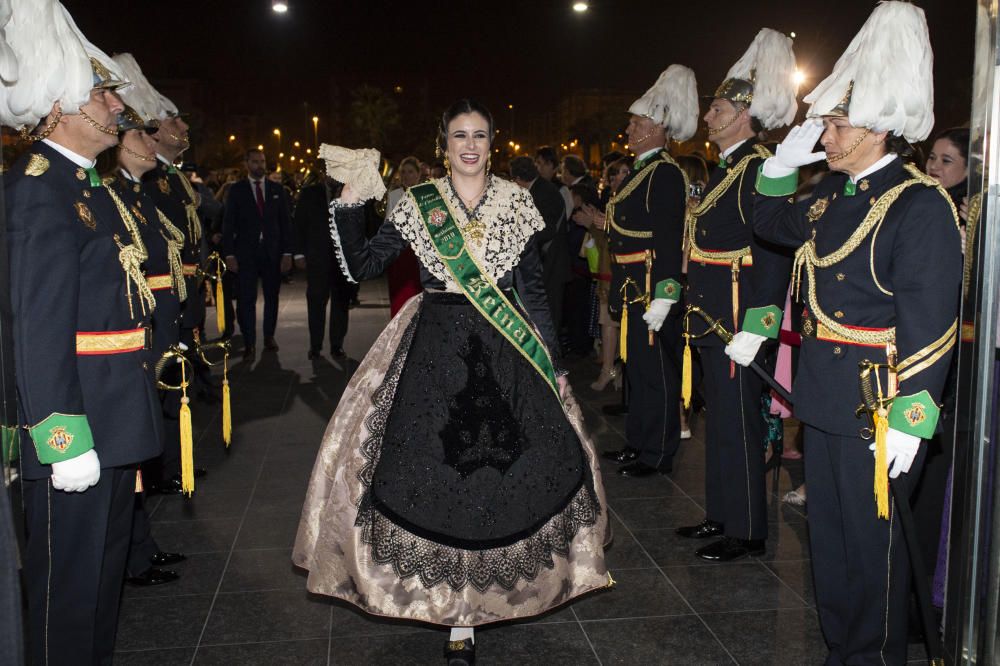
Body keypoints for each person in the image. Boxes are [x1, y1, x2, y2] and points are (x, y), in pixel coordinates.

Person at [293, 99, 609, 665]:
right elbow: (364, 264)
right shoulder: (419, 203)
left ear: (493, 143)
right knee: (437, 475)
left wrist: (554, 364)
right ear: (444, 143)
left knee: (509, 473)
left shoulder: (517, 202)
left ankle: (488, 597)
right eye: (460, 135)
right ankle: (457, 612)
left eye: (480, 136)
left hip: (506, 351)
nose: (470, 145)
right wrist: (347, 205)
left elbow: (533, 293)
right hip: (434, 350)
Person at [728, 4, 962, 662]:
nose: (824, 134)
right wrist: (782, 160)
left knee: (873, 553)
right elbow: (767, 224)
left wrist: (915, 416)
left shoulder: (919, 205)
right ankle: (843, 653)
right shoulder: (831, 196)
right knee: (830, 547)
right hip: (827, 400)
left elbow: (929, 320)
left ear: (879, 123)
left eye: (834, 122)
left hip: (880, 410)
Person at [2, 10, 164, 661]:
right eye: (102, 94)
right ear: (61, 105)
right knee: (65, 598)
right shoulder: (38, 190)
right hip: (78, 429)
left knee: (98, 589)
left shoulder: (85, 186)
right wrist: (62, 439)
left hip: (114, 415)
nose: (115, 104)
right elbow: (34, 326)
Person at [674, 29, 797, 562]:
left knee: (740, 427)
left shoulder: (760, 169)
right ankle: (721, 514)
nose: (708, 117)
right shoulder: (731, 169)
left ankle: (747, 530)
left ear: (744, 115)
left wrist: (760, 324)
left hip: (737, 320)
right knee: (719, 424)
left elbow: (772, 253)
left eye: (718, 108)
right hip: (710, 317)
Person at [599, 64, 698, 477]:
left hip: (651, 287)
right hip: (631, 286)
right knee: (637, 371)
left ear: (657, 129)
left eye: (637, 123)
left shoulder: (666, 174)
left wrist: (666, 294)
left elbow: (667, 236)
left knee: (657, 373)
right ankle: (638, 442)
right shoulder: (642, 170)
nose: (629, 129)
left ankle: (658, 451)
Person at [222, 149, 294, 361]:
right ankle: (249, 342)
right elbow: (228, 224)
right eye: (255, 162)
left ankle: (269, 335)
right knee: (246, 299)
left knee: (272, 296)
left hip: (272, 252)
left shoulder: (277, 189)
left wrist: (288, 252)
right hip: (246, 253)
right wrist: (229, 254)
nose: (259, 165)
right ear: (246, 164)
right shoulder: (237, 190)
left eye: (262, 161)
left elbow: (285, 223)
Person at [510, 155, 569, 346]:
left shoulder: (542, 192)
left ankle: (550, 355)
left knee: (549, 311)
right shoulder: (542, 188)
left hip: (552, 262)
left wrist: (519, 236)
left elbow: (545, 228)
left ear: (519, 179)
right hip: (548, 261)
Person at [294, 173, 351, 359]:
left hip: (343, 259)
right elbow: (299, 223)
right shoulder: (310, 193)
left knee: (341, 302)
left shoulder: (352, 191)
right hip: (317, 257)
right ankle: (315, 345)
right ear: (325, 172)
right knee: (316, 301)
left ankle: (337, 345)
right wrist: (299, 253)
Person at [385, 156, 424, 315]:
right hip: (400, 253)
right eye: (403, 172)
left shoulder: (426, 194)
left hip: (420, 255)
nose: (406, 175)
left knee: (416, 296)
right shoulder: (394, 195)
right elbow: (388, 224)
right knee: (399, 297)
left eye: (410, 172)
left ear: (418, 174)